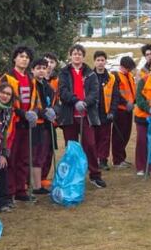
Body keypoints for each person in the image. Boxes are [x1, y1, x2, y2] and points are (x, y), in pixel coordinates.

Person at [57, 44, 105, 188]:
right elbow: (63, 91)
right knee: (71, 146)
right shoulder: (64, 73)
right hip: (69, 115)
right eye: (74, 53)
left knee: (90, 145)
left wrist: (84, 102)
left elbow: (94, 93)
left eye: (79, 54)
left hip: (86, 115)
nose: (77, 56)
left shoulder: (90, 74)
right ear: (70, 55)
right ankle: (71, 175)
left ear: (83, 56)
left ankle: (95, 175)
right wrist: (75, 101)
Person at [1, 46, 41, 203]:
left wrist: (34, 113)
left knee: (24, 158)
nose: (24, 59)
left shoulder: (31, 80)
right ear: (14, 59)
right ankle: (9, 191)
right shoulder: (7, 78)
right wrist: (23, 114)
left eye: (27, 57)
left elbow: (35, 100)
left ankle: (20, 189)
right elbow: (5, 101)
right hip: (13, 123)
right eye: (21, 56)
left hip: (27, 124)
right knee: (12, 158)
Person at [87, 50, 121, 171]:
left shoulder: (111, 78)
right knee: (92, 138)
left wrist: (112, 111)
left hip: (106, 113)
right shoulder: (88, 76)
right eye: (98, 60)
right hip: (92, 113)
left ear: (106, 61)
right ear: (94, 62)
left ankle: (103, 160)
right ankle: (92, 160)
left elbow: (115, 96)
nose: (100, 63)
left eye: (102, 60)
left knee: (105, 138)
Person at [0, 82, 17, 211]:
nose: (5, 96)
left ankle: (3, 201)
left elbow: (5, 131)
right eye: (3, 93)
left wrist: (4, 153)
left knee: (3, 168)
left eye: (8, 94)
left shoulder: (8, 110)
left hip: (0, 143)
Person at [31, 57, 57, 195]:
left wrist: (53, 111)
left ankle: (38, 183)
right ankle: (33, 184)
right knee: (34, 155)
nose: (41, 71)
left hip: (46, 125)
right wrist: (42, 112)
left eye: (43, 68)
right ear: (33, 70)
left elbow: (53, 103)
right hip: (35, 124)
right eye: (38, 68)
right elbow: (32, 105)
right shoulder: (31, 84)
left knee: (42, 154)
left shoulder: (48, 86)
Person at [111, 55, 137, 168]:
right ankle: (117, 160)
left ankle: (122, 157)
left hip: (129, 109)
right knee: (118, 135)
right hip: (120, 110)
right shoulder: (115, 76)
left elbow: (132, 90)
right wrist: (126, 103)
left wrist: (133, 102)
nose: (130, 70)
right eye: (128, 68)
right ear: (123, 66)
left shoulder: (130, 76)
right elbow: (116, 93)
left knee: (126, 134)